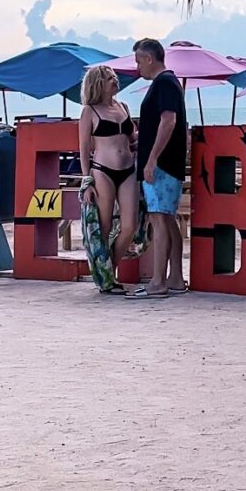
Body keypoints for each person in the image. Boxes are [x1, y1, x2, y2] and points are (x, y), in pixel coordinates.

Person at [131, 37, 188, 299]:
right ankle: (175, 277)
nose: (137, 67)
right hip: (170, 163)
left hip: (163, 164)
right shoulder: (171, 82)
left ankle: (158, 281)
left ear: (149, 58)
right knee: (167, 219)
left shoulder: (163, 83)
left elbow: (169, 121)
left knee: (158, 218)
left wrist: (152, 158)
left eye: (138, 61)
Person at [78, 66, 139, 285]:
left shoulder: (123, 107)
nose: (115, 80)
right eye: (109, 78)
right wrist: (87, 182)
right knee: (103, 228)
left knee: (130, 226)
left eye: (114, 77)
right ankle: (107, 279)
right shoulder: (89, 111)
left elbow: (132, 138)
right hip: (103, 171)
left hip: (128, 169)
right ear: (98, 83)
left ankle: (107, 272)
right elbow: (84, 149)